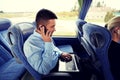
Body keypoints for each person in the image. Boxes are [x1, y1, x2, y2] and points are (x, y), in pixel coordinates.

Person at [23, 9, 72, 75]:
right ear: (41, 27)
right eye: (52, 26)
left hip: (58, 60)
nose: (55, 29)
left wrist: (61, 53)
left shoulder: (45, 36)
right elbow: (44, 70)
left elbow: (53, 48)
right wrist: (48, 43)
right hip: (52, 71)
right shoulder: (30, 45)